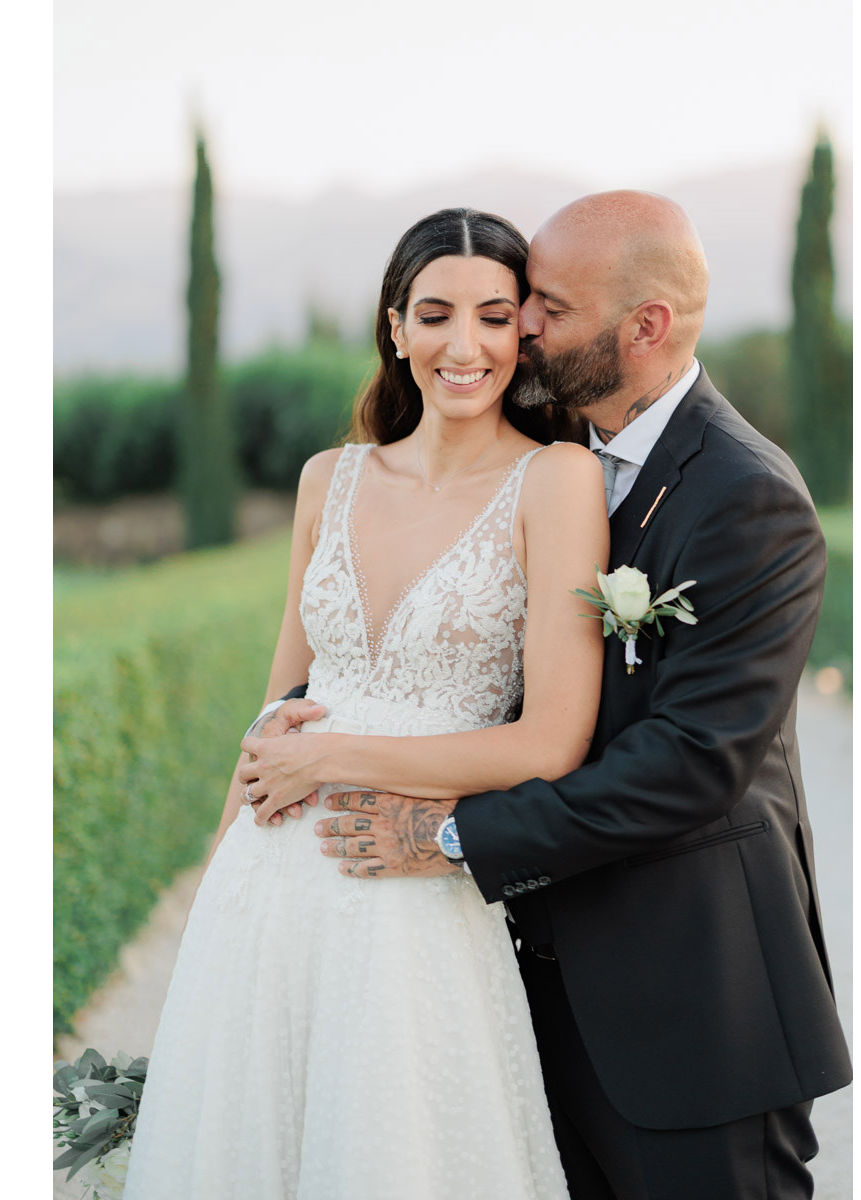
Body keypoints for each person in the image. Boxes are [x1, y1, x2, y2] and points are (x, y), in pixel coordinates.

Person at [280, 192, 853, 1199]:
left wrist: (449, 837)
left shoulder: (748, 496)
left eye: (545, 306)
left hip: (690, 1004)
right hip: (517, 997)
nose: (520, 327)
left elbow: (689, 765)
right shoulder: (548, 455)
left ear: (646, 328)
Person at [122, 207, 609, 1200]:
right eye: (434, 315)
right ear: (395, 327)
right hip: (271, 887)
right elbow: (275, 715)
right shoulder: (327, 480)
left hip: (410, 891)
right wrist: (217, 897)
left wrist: (333, 758)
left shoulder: (555, 482)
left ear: (524, 330)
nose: (462, 345)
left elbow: (550, 742)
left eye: (493, 315)